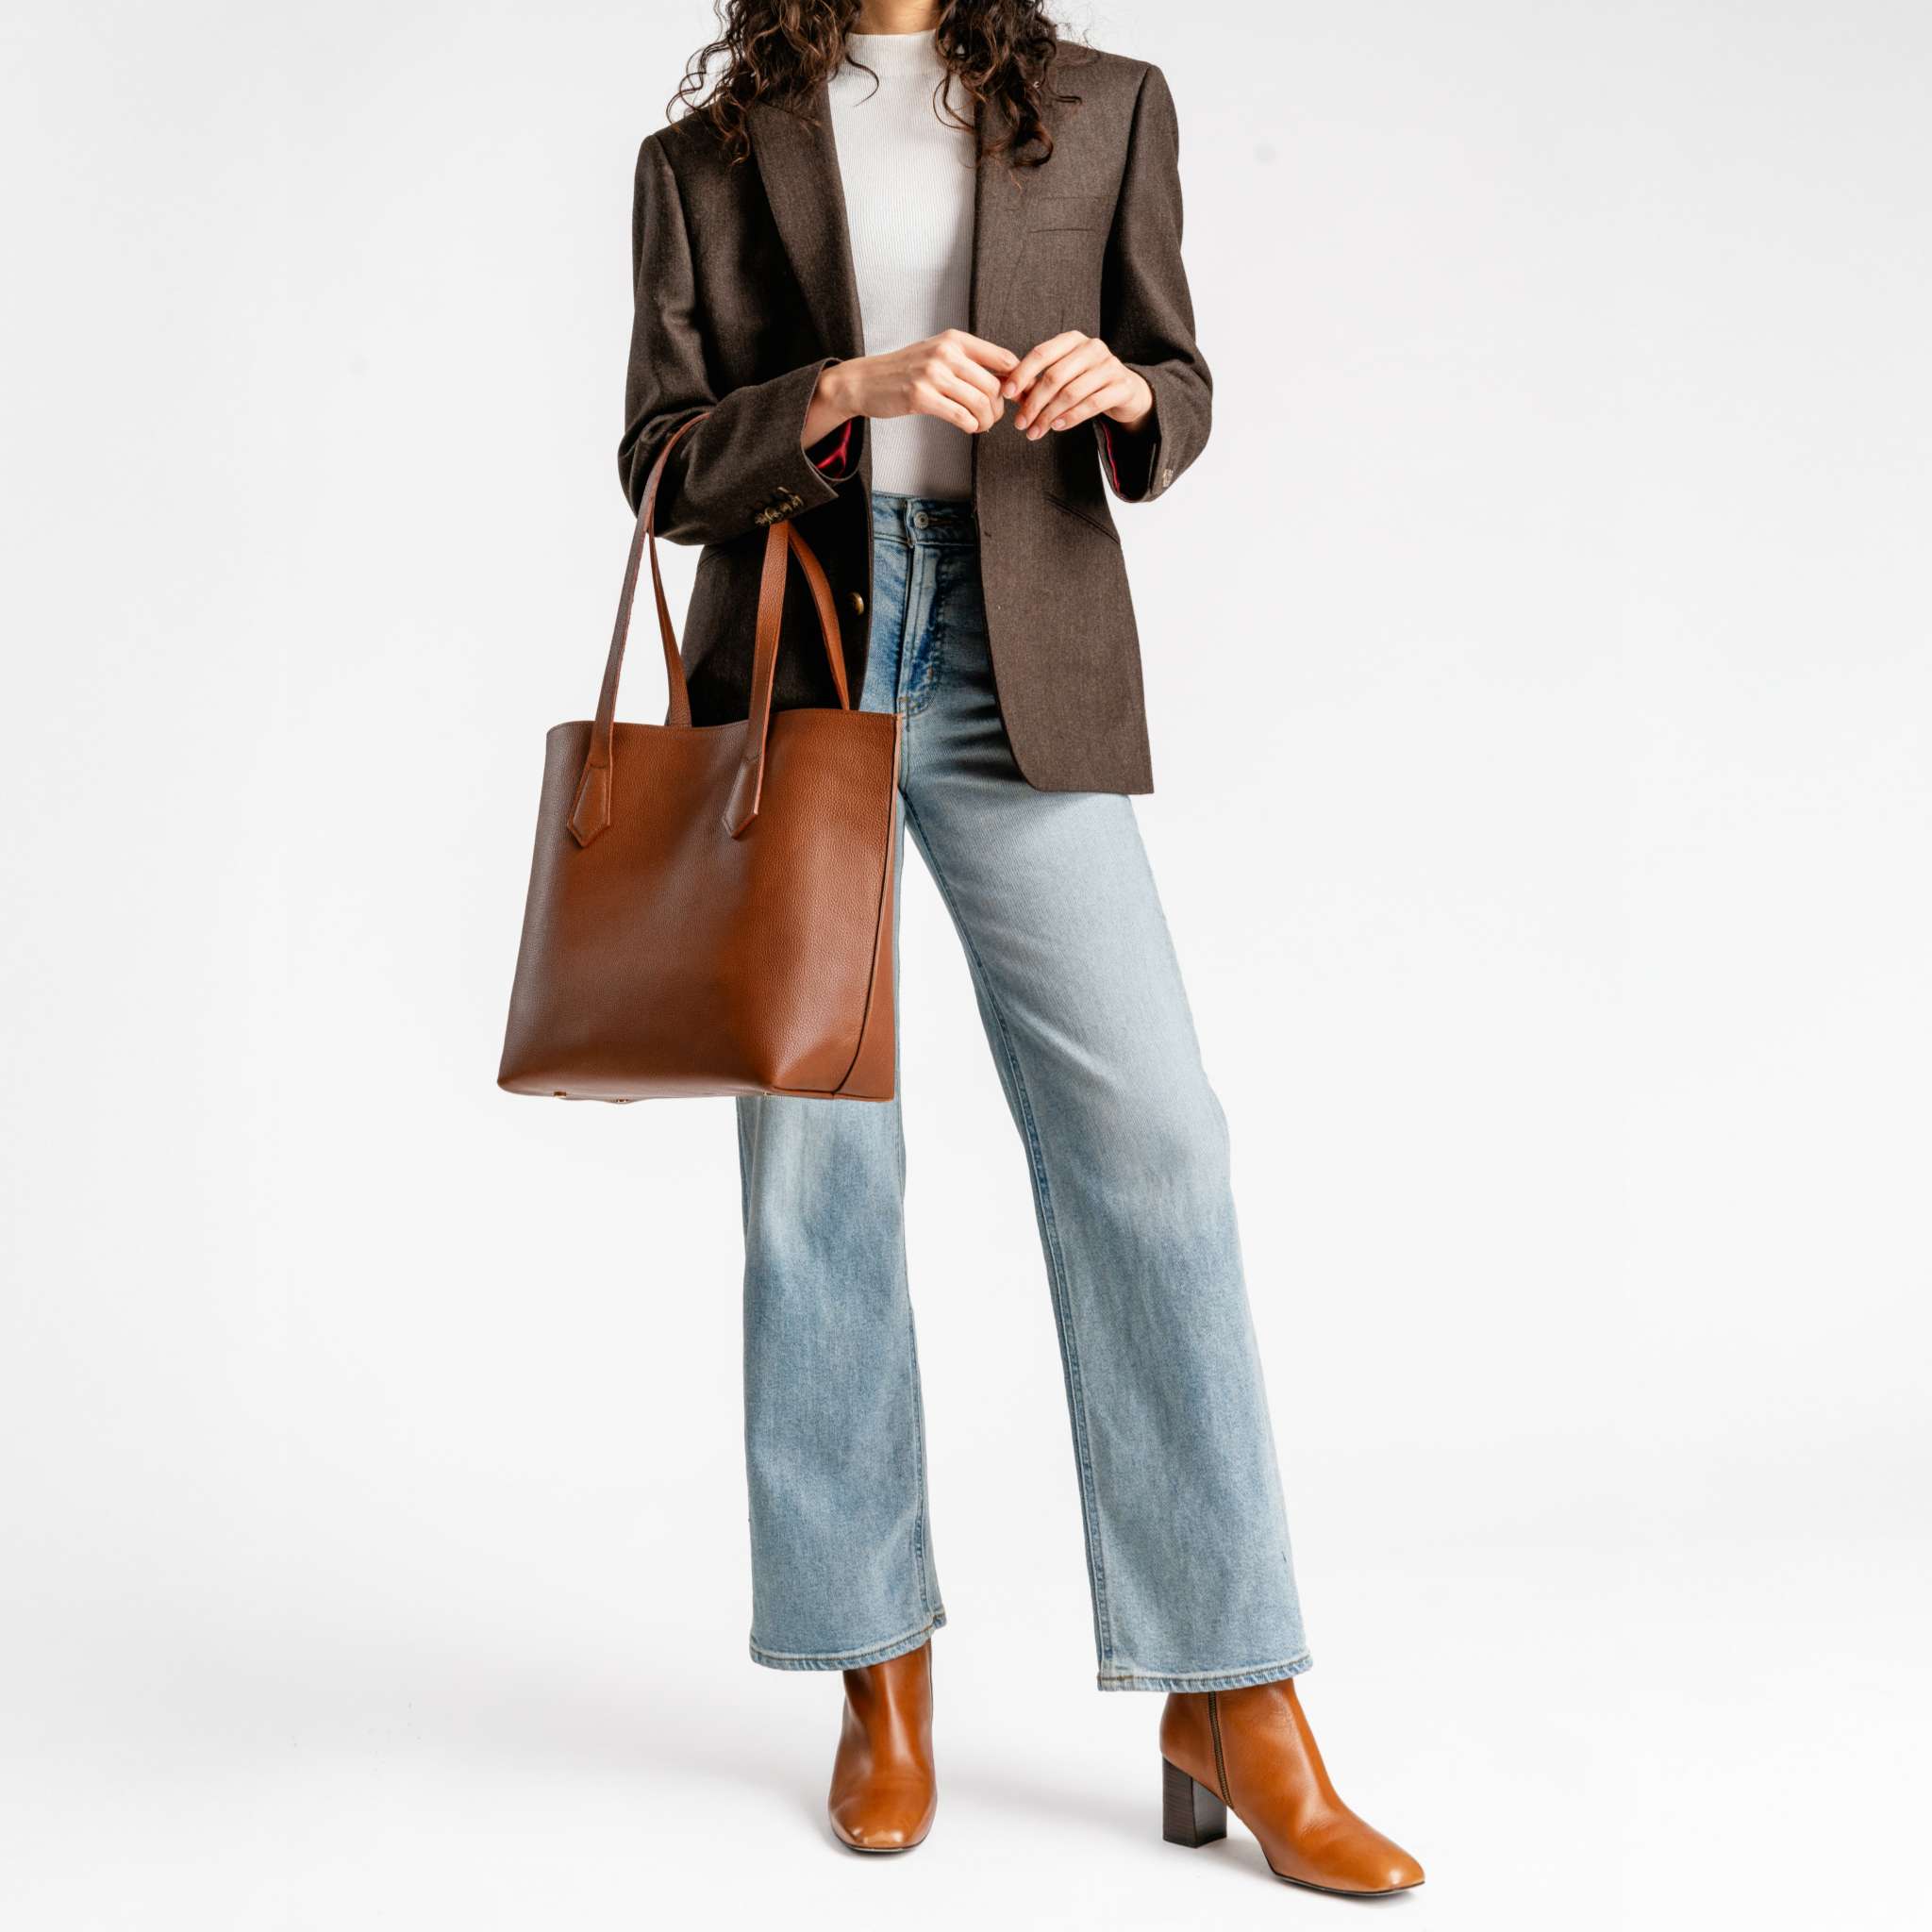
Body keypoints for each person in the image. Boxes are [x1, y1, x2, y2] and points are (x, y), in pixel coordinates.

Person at [624, 0, 1424, 1893]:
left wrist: (1127, 393)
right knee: (818, 1180)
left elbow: (1180, 382)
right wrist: (844, 389)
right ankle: (874, 1672)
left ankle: (1230, 1690)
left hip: (1021, 665)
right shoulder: (707, 153)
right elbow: (659, 467)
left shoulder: (1107, 107)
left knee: (1157, 1142)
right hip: (805, 676)